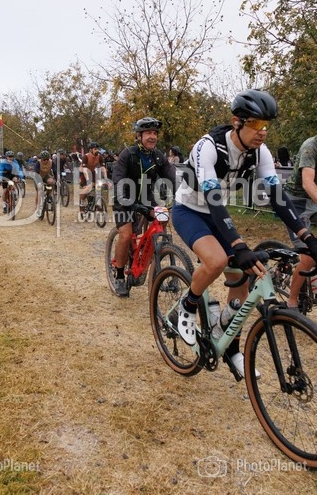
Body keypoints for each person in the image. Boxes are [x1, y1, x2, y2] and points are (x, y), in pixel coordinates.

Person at [171, 89, 317, 378]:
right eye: (256, 124)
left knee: (243, 276)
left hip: (217, 212)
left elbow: (278, 197)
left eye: (266, 125)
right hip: (190, 209)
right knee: (217, 261)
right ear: (236, 122)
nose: (262, 132)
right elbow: (213, 199)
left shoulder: (260, 152)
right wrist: (238, 244)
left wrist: (307, 237)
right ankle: (186, 307)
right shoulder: (208, 147)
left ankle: (231, 346)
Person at [111, 117, 176, 296]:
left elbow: (172, 176)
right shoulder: (128, 154)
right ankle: (119, 275)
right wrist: (124, 198)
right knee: (126, 235)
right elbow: (118, 179)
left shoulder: (158, 156)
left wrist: (186, 192)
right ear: (139, 136)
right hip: (125, 199)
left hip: (147, 199)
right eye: (148, 133)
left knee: (162, 218)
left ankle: (150, 256)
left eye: (155, 133)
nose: (152, 136)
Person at [283, 136, 317, 308]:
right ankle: (292, 301)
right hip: (296, 202)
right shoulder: (311, 147)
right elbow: (307, 183)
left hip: (313, 202)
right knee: (309, 256)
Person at [79, 142, 107, 214]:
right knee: (88, 188)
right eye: (95, 149)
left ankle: (97, 204)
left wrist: (106, 178)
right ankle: (81, 204)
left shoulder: (99, 157)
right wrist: (88, 180)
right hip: (83, 172)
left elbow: (103, 168)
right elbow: (85, 170)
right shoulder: (86, 156)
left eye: (97, 149)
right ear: (91, 149)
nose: (97, 150)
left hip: (92, 172)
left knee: (98, 185)